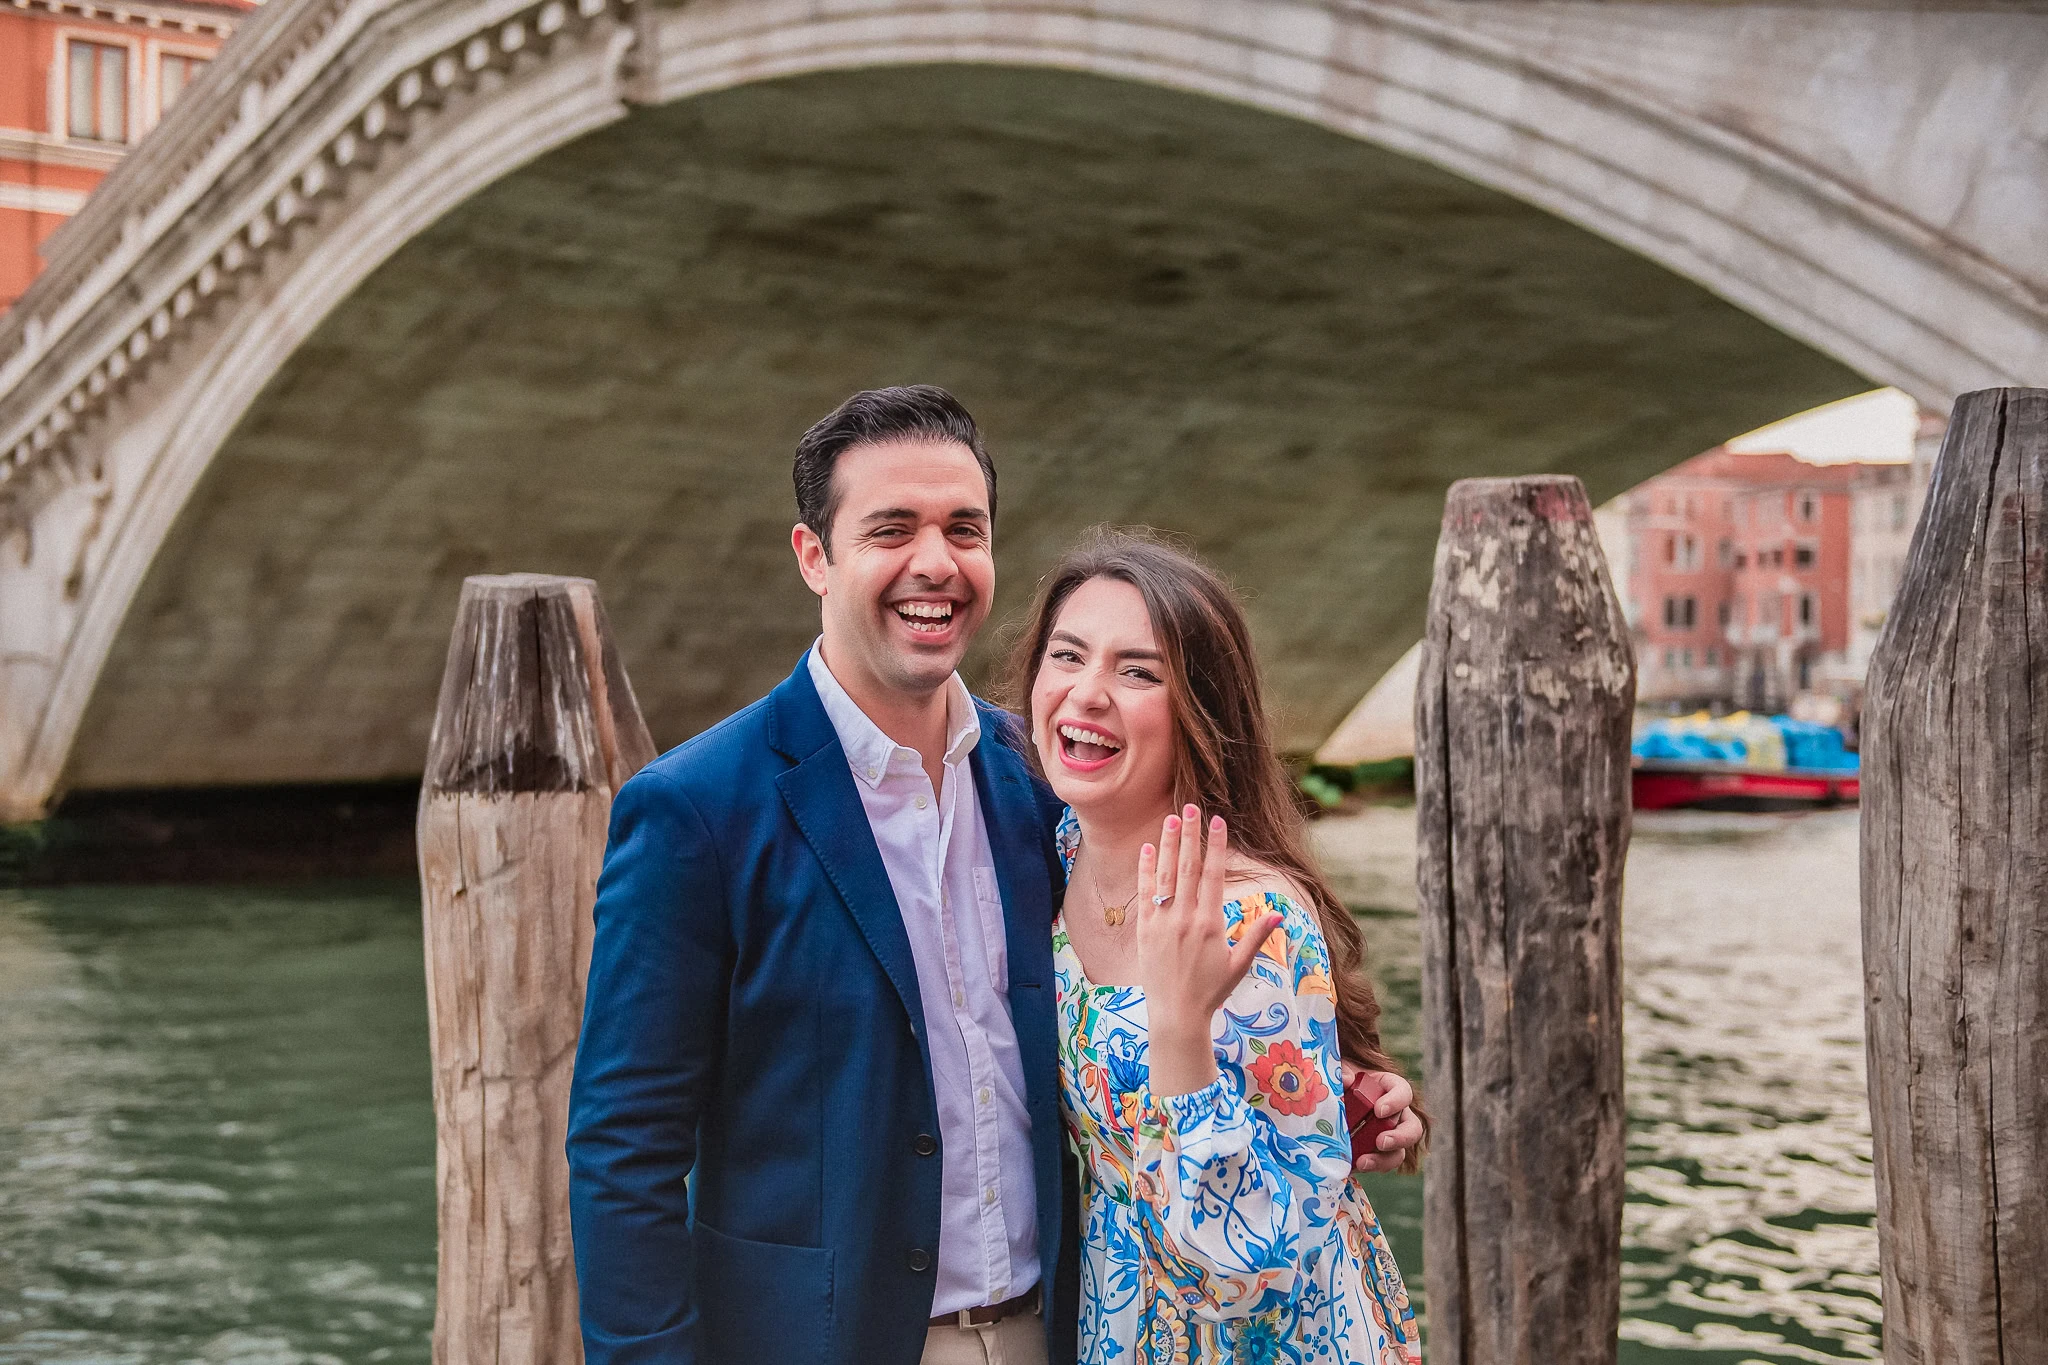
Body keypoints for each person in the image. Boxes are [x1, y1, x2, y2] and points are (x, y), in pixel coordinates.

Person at [566, 387, 1422, 1365]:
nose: (934, 561)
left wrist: (1315, 1081)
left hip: (1060, 1330)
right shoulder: (696, 810)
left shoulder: (1043, 788)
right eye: (891, 528)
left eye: (961, 529)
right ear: (814, 557)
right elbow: (621, 1152)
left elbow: (1140, 1004)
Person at [1008, 527, 1425, 1365]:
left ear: (1200, 709)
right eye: (1067, 655)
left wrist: (1181, 1032)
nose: (1087, 693)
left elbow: (1254, 1267)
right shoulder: (1058, 855)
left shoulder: (1253, 920)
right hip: (1120, 1322)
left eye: (1139, 671)